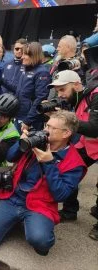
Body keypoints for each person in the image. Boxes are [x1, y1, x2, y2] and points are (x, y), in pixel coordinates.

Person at [0, 110, 86, 256]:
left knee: (41, 242)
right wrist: (23, 141)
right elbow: (10, 156)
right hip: (14, 197)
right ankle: (17, 221)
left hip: (41, 205)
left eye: (51, 128)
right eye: (46, 125)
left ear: (66, 133)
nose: (45, 130)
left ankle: (35, 226)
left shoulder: (75, 162)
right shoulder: (38, 140)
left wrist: (49, 163)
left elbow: (61, 194)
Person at [48, 66, 98, 240]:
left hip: (94, 138)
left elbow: (95, 128)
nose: (60, 94)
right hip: (88, 143)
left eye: (63, 89)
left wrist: (67, 120)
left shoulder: (96, 94)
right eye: (57, 91)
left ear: (77, 85)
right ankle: (70, 211)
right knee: (70, 169)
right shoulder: (77, 96)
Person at [14, 42, 51, 132]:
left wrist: (28, 121)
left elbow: (40, 99)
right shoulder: (26, 69)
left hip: (30, 120)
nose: (22, 57)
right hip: (19, 115)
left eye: (25, 54)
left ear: (34, 56)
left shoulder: (42, 72)